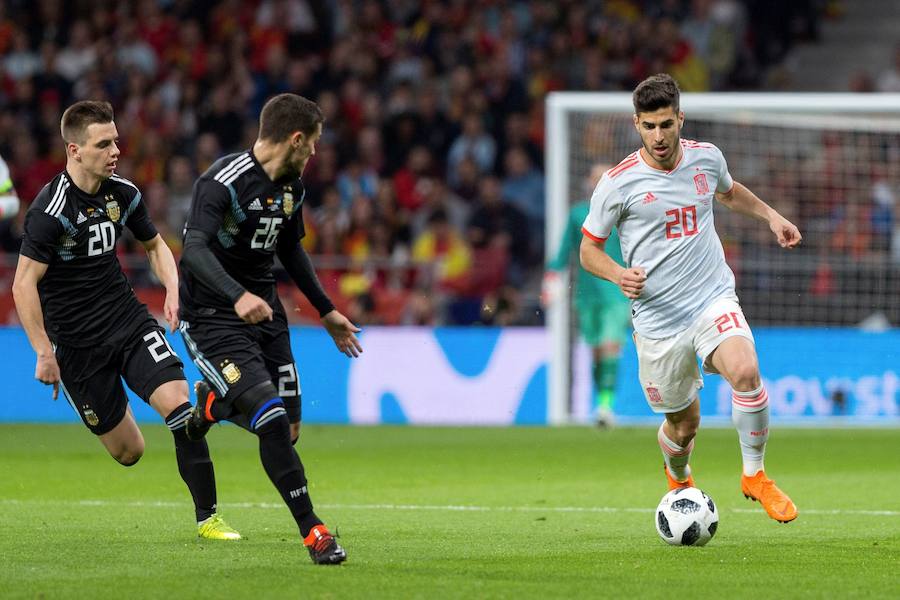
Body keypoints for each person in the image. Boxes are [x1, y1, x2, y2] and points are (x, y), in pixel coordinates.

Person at [12, 100, 240, 540]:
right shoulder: (51, 211)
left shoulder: (124, 193)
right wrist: (43, 351)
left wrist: (174, 290)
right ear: (74, 150)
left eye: (116, 139)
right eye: (103, 143)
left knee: (178, 408)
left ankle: (209, 518)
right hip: (77, 347)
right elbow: (23, 284)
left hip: (128, 323)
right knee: (129, 452)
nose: (115, 149)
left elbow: (155, 247)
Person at [580, 74, 801, 523]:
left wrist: (771, 217)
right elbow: (588, 250)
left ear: (680, 118)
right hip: (658, 322)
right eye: (648, 126)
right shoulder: (617, 183)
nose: (658, 136)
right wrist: (619, 274)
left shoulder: (706, 159)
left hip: (710, 297)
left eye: (666, 124)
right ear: (636, 125)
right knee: (684, 426)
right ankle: (679, 478)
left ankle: (754, 475)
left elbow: (729, 191)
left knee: (745, 370)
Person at [178, 93, 362, 565]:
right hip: (214, 317)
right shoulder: (222, 182)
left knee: (289, 428)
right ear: (296, 139)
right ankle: (314, 532)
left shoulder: (291, 188)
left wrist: (325, 310)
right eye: (314, 144)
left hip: (266, 315)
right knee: (273, 419)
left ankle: (215, 407)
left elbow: (292, 251)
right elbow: (194, 250)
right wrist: (236, 295)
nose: (315, 154)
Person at [544, 163, 631, 428]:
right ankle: (600, 403)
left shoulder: (624, 212)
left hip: (617, 292)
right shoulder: (578, 214)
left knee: (610, 345)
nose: (598, 182)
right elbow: (564, 252)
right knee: (596, 351)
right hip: (587, 294)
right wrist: (551, 278)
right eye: (594, 178)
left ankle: (606, 406)